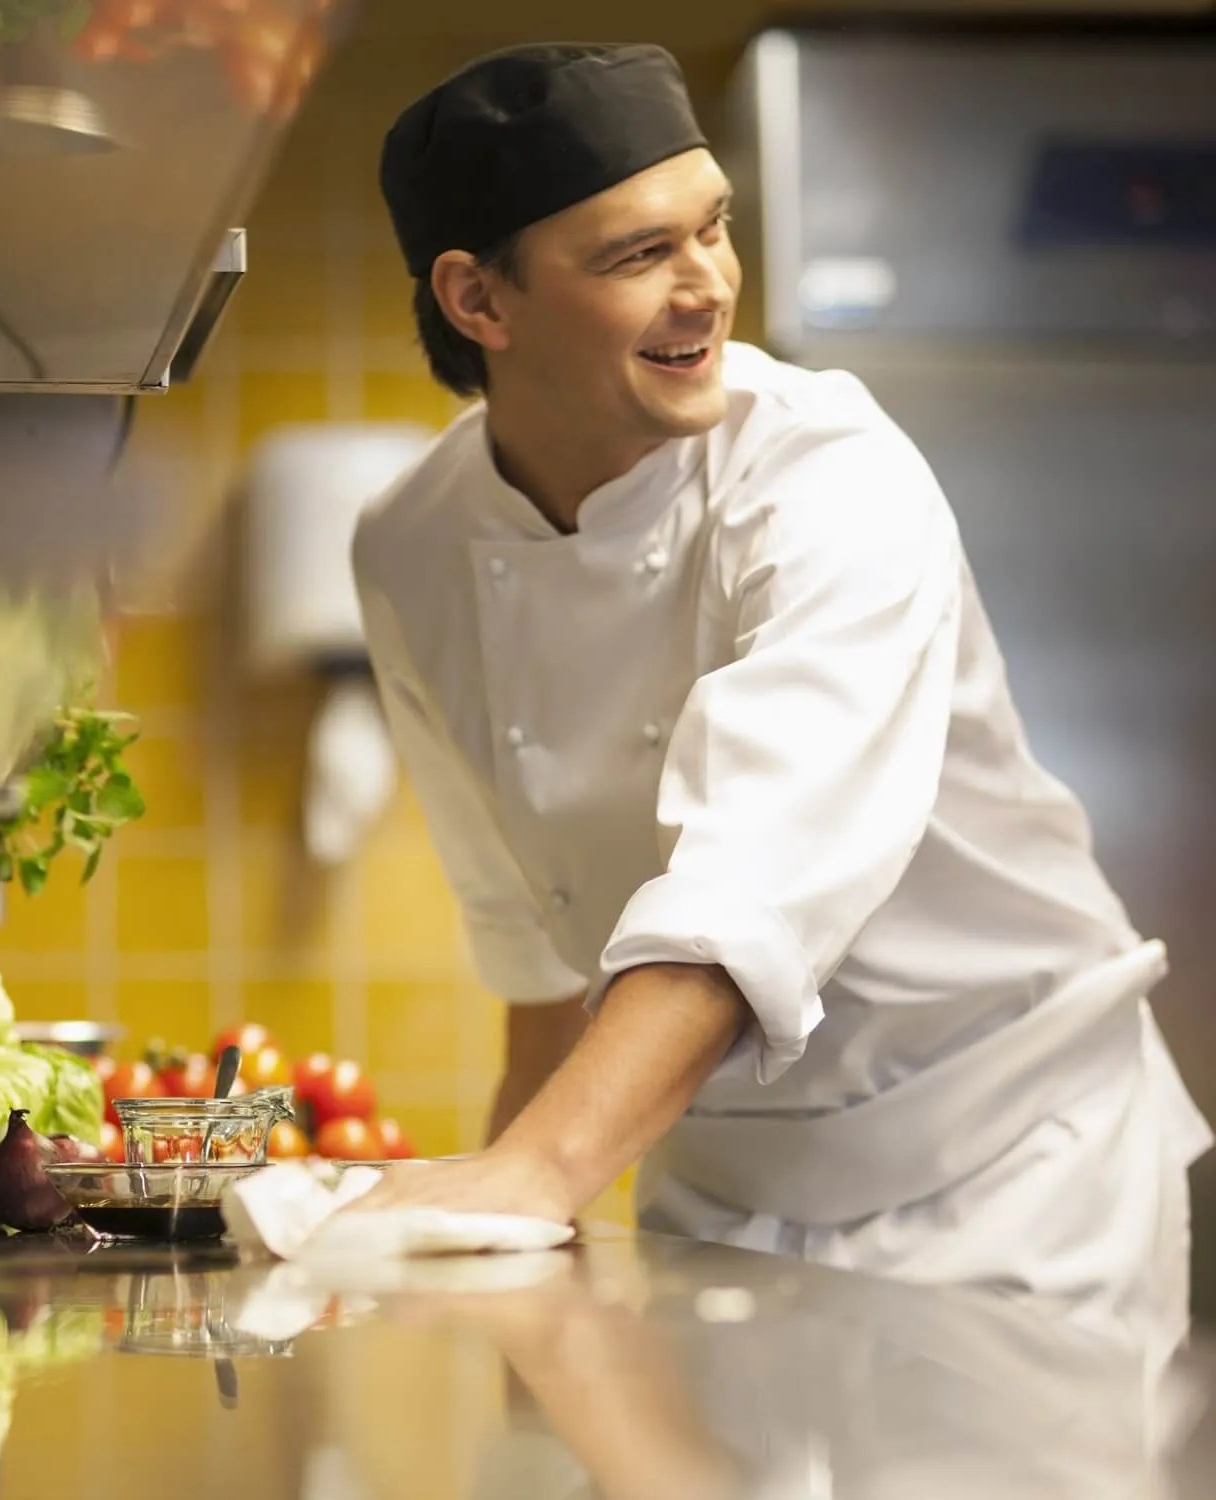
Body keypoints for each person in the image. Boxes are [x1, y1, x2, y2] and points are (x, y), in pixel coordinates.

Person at [348, 41, 1211, 1351]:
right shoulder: (411, 546)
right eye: (640, 254)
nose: (708, 286)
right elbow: (533, 948)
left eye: (714, 228)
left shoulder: (827, 473)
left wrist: (534, 1176)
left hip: (1010, 1174)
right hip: (725, 1193)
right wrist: (519, 1257)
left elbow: (749, 882)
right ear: (479, 299)